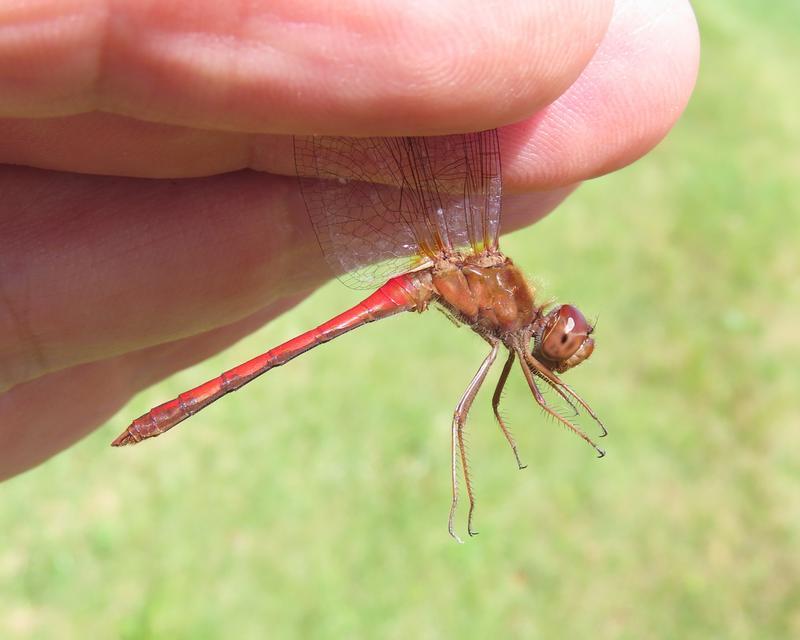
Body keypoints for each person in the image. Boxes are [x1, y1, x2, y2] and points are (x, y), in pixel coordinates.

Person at [0, 0, 699, 480]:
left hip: (435, 269)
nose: (563, 346)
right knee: (462, 415)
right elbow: (486, 408)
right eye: (565, 339)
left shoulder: (511, 323)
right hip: (430, 273)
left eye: (565, 344)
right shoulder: (503, 304)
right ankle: (167, 416)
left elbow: (529, 391)